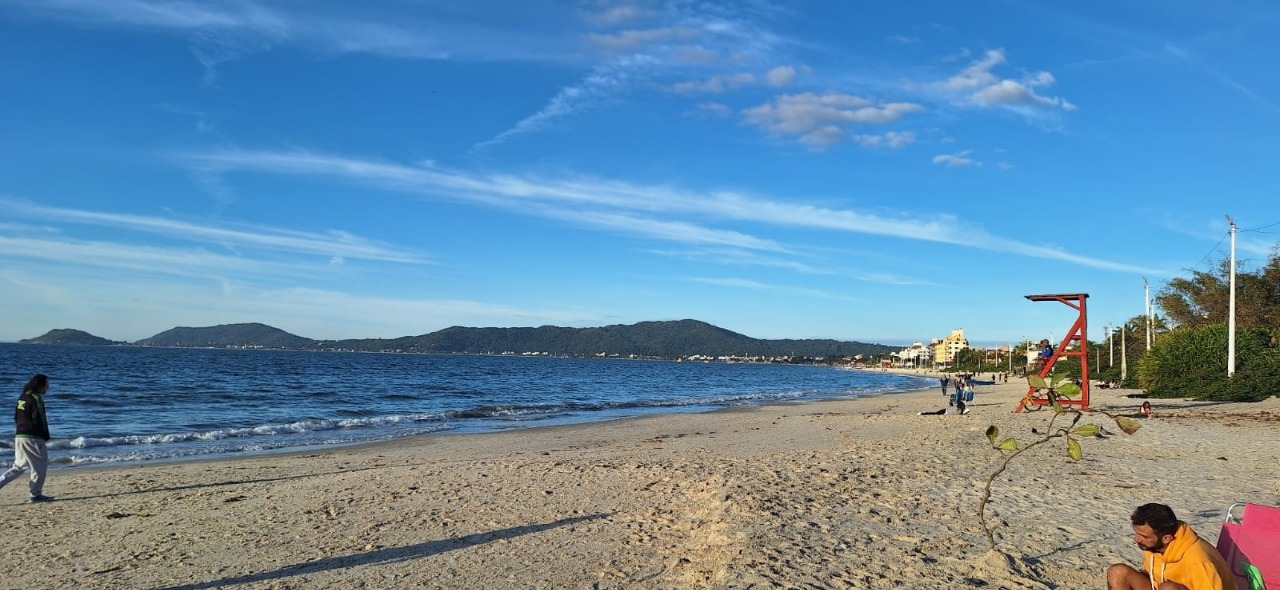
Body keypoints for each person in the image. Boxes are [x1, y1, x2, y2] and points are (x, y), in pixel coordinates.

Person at [1106, 503, 1237, 590]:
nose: (1136, 539)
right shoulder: (1155, 545)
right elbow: (1153, 577)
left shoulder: (1199, 560)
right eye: (1137, 533)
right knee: (1118, 572)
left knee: (1168, 588)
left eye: (1144, 536)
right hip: (1159, 586)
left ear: (1166, 538)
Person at [0, 374, 54, 502]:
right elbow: (40, 418)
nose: (48, 388)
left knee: (18, 467)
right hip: (33, 437)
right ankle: (35, 494)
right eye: (47, 385)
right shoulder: (36, 398)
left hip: (20, 435)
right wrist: (45, 436)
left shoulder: (22, 397)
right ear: (40, 385)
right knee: (40, 466)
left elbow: (16, 417)